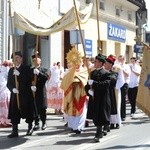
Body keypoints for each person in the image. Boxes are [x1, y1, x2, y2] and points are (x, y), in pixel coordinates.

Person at [7, 51, 35, 138]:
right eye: (14, 59)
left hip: (25, 94)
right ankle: (14, 130)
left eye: (17, 58)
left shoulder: (26, 68)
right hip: (15, 95)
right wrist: (12, 89)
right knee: (14, 112)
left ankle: (30, 127)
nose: (15, 60)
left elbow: (29, 79)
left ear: (21, 58)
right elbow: (8, 83)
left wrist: (20, 74)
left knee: (28, 111)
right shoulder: (11, 70)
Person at [60, 47, 88, 134]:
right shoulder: (69, 72)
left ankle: (79, 127)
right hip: (71, 94)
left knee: (82, 111)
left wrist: (78, 78)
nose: (77, 64)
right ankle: (73, 126)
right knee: (71, 110)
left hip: (81, 93)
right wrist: (72, 80)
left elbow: (86, 80)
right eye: (75, 63)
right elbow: (65, 82)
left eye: (78, 62)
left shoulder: (84, 70)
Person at [85, 53, 111, 142]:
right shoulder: (92, 73)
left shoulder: (106, 73)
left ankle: (98, 133)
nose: (94, 63)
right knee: (95, 115)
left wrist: (94, 84)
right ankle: (99, 131)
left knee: (101, 115)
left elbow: (106, 85)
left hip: (102, 98)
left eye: (95, 61)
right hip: (94, 97)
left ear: (100, 63)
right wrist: (88, 91)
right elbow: (87, 84)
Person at [31, 54, 48, 130]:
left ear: (40, 61)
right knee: (34, 108)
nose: (35, 62)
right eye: (33, 60)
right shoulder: (30, 70)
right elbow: (27, 80)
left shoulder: (44, 69)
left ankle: (44, 122)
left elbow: (46, 78)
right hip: (33, 91)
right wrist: (31, 86)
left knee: (42, 108)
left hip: (41, 91)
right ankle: (36, 123)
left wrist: (39, 73)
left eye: (36, 60)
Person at [104, 55, 121, 129]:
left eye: (106, 63)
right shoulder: (104, 72)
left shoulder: (115, 72)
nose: (105, 65)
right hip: (107, 91)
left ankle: (116, 122)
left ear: (110, 64)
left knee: (115, 106)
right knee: (108, 106)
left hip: (114, 91)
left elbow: (114, 80)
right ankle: (110, 122)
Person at [115, 55, 130, 121]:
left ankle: (123, 115)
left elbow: (127, 75)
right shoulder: (116, 65)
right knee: (117, 99)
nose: (119, 61)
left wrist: (121, 70)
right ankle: (117, 114)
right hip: (118, 84)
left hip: (124, 84)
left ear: (123, 59)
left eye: (121, 59)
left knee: (123, 99)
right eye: (119, 59)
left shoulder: (126, 66)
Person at [0, 61, 11, 127]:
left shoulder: (3, 70)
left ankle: (3, 120)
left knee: (3, 106)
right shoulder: (7, 70)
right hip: (5, 90)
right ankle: (6, 120)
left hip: (4, 89)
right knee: (6, 106)